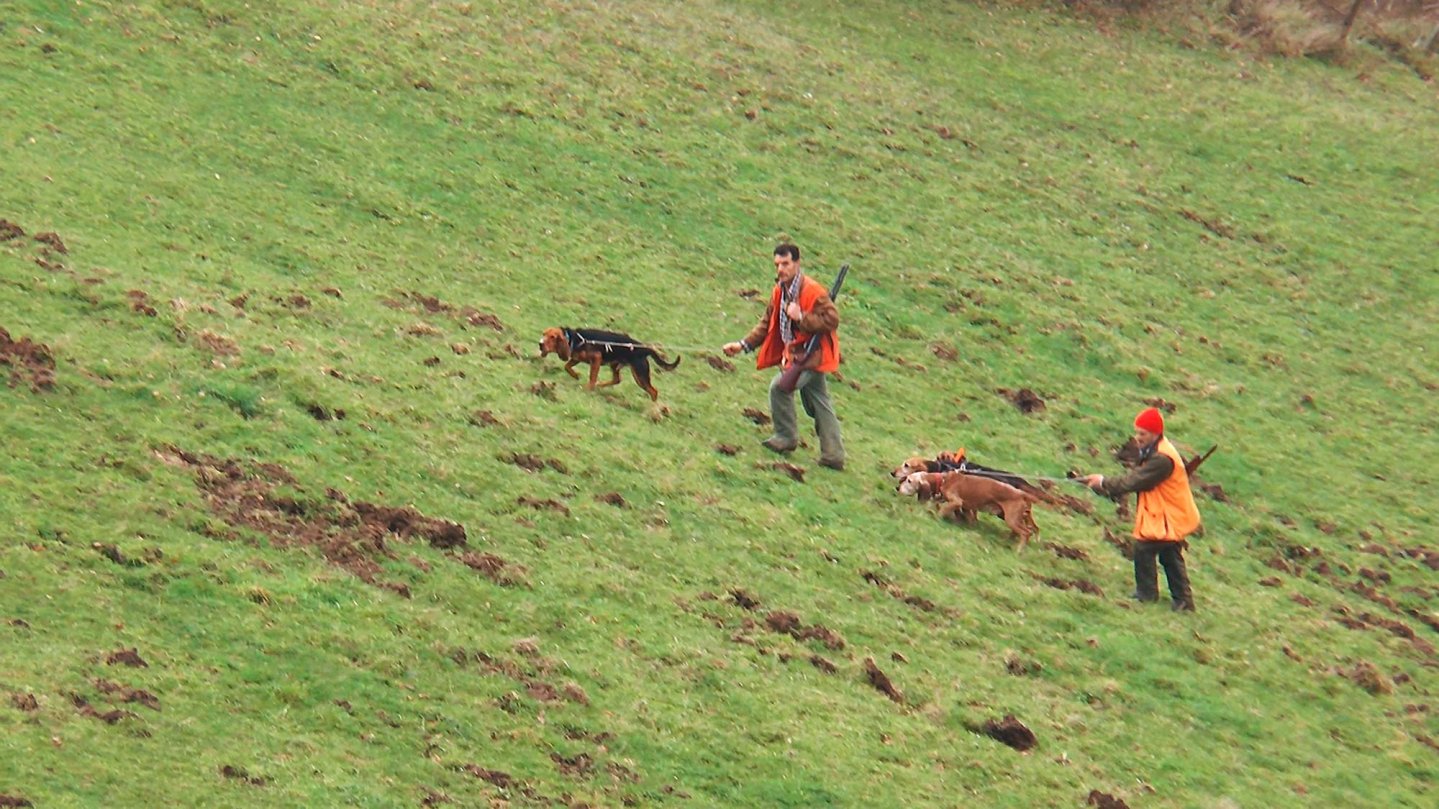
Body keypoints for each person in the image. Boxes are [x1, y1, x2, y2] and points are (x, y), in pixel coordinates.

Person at [722, 244, 846, 470]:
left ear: (797, 264)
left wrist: (802, 317)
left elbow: (832, 320)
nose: (781, 269)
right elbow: (766, 323)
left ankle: (786, 437)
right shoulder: (780, 291)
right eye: (777, 264)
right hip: (798, 354)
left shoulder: (813, 291)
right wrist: (743, 345)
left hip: (812, 355)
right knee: (819, 401)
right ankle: (834, 455)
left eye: (786, 264)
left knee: (779, 388)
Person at [1078, 407, 1201, 611]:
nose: (1138, 438)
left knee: (1145, 548)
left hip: (1169, 514)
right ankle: (1183, 602)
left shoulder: (1162, 458)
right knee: (1170, 554)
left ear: (1154, 433)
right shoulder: (1158, 450)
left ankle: (1148, 594)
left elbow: (1134, 481)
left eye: (1142, 434)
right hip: (1167, 513)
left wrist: (1103, 483)